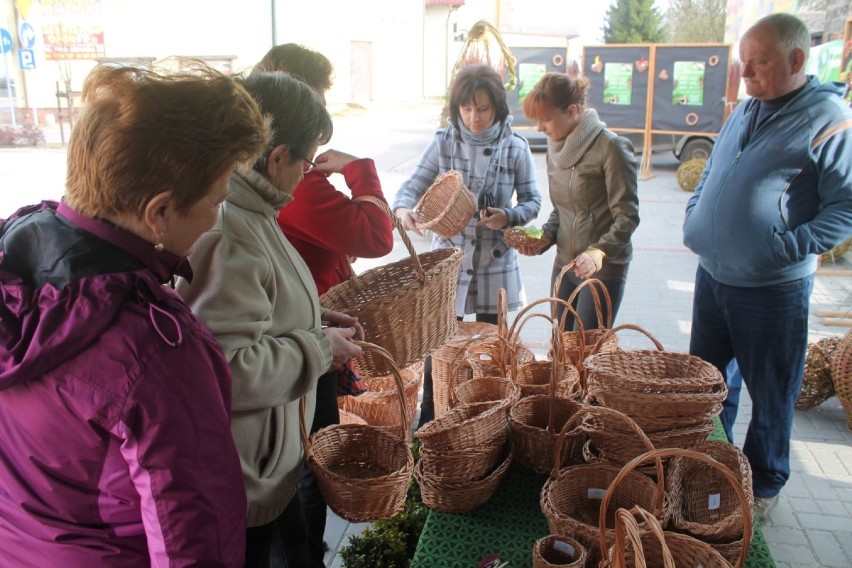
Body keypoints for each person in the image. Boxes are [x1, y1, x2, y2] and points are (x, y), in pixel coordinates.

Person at [0, 64, 268, 566]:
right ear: (158, 213)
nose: (215, 221)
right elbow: (193, 537)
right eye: (216, 202)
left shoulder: (15, 259)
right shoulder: (155, 351)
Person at [175, 71, 364, 568]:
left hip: (269, 465)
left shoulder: (254, 207)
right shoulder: (229, 227)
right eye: (306, 159)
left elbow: (258, 307)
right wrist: (322, 349)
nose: (307, 172)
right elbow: (228, 368)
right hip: (247, 477)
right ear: (277, 156)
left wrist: (315, 315)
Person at [682, 13, 852, 523]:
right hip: (713, 278)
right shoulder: (746, 107)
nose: (746, 74)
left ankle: (765, 483)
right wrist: (695, 215)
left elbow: (844, 206)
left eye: (759, 63)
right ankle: (713, 469)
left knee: (772, 391)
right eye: (743, 64)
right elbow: (713, 168)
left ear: (797, 60)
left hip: (771, 289)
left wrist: (788, 246)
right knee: (709, 386)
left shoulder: (828, 117)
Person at [254, 43, 394, 568]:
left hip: (308, 331)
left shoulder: (277, 184)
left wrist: (313, 323)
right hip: (301, 354)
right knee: (310, 460)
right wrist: (359, 171)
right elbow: (377, 236)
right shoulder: (288, 189)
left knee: (306, 460)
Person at [393, 63, 542, 427]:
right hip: (449, 263)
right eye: (466, 109)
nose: (474, 118)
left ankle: (488, 420)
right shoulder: (444, 141)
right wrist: (403, 210)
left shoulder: (515, 146)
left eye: (483, 109)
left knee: (494, 351)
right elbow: (411, 187)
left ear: (498, 108)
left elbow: (534, 202)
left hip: (497, 263)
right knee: (438, 346)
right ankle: (431, 419)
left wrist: (507, 216)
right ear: (456, 108)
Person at [519, 72, 639, 333]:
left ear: (572, 111)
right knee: (560, 345)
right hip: (565, 263)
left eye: (546, 118)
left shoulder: (612, 147)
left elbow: (627, 215)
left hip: (602, 269)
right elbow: (562, 210)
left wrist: (599, 253)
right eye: (536, 120)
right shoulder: (556, 149)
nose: (540, 127)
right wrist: (543, 238)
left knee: (583, 352)